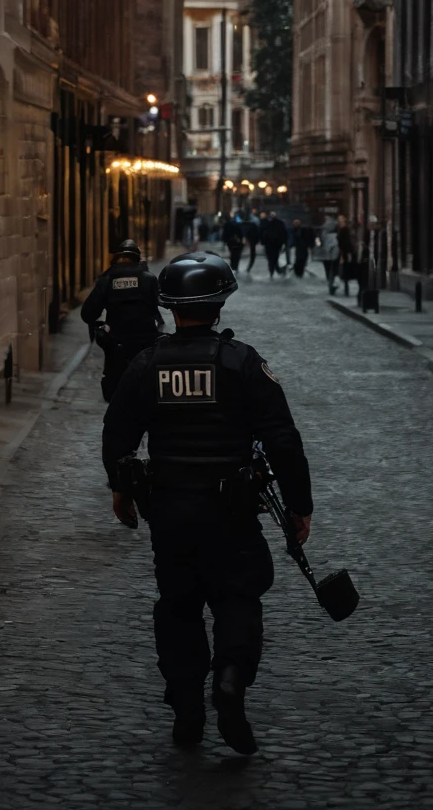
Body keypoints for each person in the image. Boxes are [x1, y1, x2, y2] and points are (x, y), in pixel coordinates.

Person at [102, 251, 313, 754]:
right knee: (237, 599)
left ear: (170, 308)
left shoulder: (146, 364)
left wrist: (120, 486)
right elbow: (283, 439)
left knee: (178, 607)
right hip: (233, 512)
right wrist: (299, 505)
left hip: (171, 510)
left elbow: (118, 432)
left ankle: (187, 707)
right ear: (219, 305)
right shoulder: (242, 363)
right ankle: (231, 680)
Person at [80, 239, 164, 401]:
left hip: (116, 347)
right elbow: (156, 308)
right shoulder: (149, 279)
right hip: (145, 347)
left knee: (115, 395)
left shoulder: (107, 281)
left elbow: (88, 314)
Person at [316, 214, 340, 294]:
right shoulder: (333, 234)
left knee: (329, 271)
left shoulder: (323, 233)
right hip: (331, 255)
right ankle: (331, 285)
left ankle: (331, 284)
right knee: (332, 271)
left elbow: (320, 243)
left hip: (327, 255)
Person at [261, 209, 288, 278]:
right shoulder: (279, 223)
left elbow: (263, 233)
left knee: (271, 258)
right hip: (275, 244)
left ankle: (273, 271)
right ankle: (275, 270)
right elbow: (284, 233)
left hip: (271, 244)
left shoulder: (267, 223)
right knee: (274, 258)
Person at [337, 214, 355, 297]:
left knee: (346, 272)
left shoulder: (345, 230)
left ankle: (346, 290)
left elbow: (345, 243)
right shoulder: (341, 229)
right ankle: (345, 289)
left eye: (342, 221)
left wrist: (347, 254)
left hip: (345, 253)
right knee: (344, 272)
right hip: (344, 253)